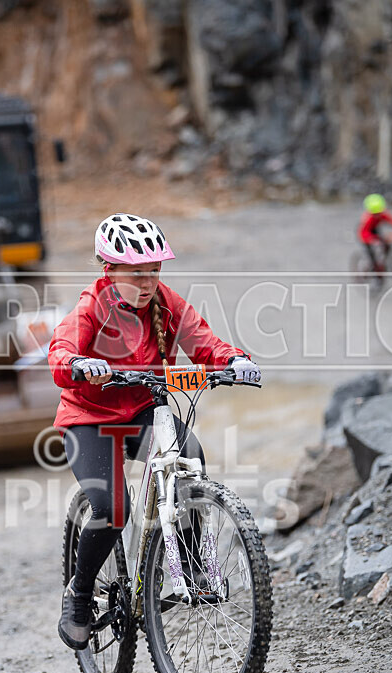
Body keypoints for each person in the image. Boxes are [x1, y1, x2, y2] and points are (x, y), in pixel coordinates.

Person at [47, 212, 260, 650]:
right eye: (137, 273)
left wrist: (233, 361)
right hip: (90, 420)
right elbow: (60, 351)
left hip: (144, 410)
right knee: (112, 507)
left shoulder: (166, 303)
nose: (148, 282)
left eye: (155, 271)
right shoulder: (91, 306)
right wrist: (78, 365)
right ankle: (80, 592)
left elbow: (205, 343)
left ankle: (195, 564)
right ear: (110, 270)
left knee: (191, 456)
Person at [358, 194, 392, 272]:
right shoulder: (367, 219)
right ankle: (373, 268)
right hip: (366, 233)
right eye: (375, 214)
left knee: (385, 244)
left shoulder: (383, 214)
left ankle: (382, 263)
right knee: (372, 256)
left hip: (375, 230)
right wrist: (373, 240)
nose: (378, 215)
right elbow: (363, 233)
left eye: (379, 213)